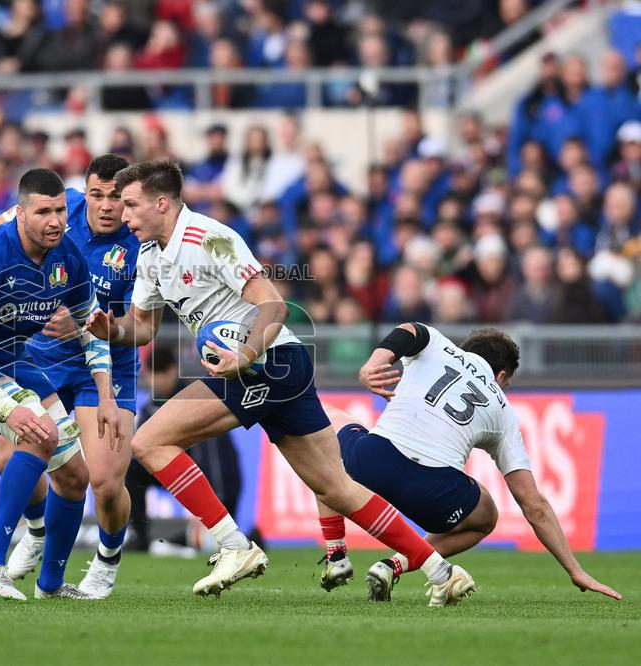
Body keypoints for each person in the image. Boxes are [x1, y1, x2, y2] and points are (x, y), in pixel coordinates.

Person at [86, 160, 473, 606]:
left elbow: (273, 306)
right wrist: (108, 329)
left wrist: (243, 357)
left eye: (130, 204)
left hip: (266, 362)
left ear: (161, 202)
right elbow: (142, 326)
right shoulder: (151, 256)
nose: (124, 215)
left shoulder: (210, 240)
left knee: (150, 441)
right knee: (338, 489)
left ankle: (234, 546)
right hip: (267, 367)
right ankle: (441, 571)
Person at [0, 155, 140, 598]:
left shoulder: (136, 244)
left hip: (61, 360)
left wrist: (105, 375)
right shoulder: (27, 230)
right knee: (22, 448)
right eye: (95, 196)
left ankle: (76, 573)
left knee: (90, 479)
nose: (105, 207)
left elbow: (126, 328)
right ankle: (5, 553)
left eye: (117, 199)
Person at [315, 323, 622, 603]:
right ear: (501, 376)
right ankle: (394, 564)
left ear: (466, 350)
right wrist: (574, 569)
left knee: (322, 426)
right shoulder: (503, 410)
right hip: (431, 495)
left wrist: (371, 366)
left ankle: (337, 553)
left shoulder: (437, 345)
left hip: (372, 461)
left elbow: (407, 330)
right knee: (486, 514)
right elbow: (533, 505)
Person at [127, 343, 242, 552]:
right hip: (171, 464)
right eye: (153, 374)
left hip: (205, 468)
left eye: (162, 373)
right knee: (132, 472)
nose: (157, 381)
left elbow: (214, 455)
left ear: (173, 370)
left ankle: (225, 526)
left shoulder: (192, 395)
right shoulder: (151, 404)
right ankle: (139, 534)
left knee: (208, 544)